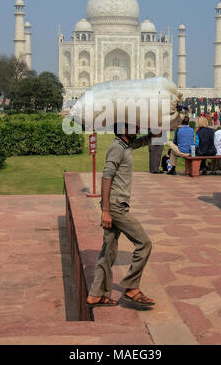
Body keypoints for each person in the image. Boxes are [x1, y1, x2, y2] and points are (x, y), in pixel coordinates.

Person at [86, 123, 155, 309]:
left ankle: (95, 294)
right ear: (124, 130)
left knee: (108, 251)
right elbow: (106, 177)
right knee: (144, 243)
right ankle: (132, 288)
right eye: (134, 126)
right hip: (116, 207)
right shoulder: (117, 147)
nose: (137, 128)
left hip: (116, 205)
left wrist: (154, 129)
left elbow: (147, 139)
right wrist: (106, 211)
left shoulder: (126, 145)